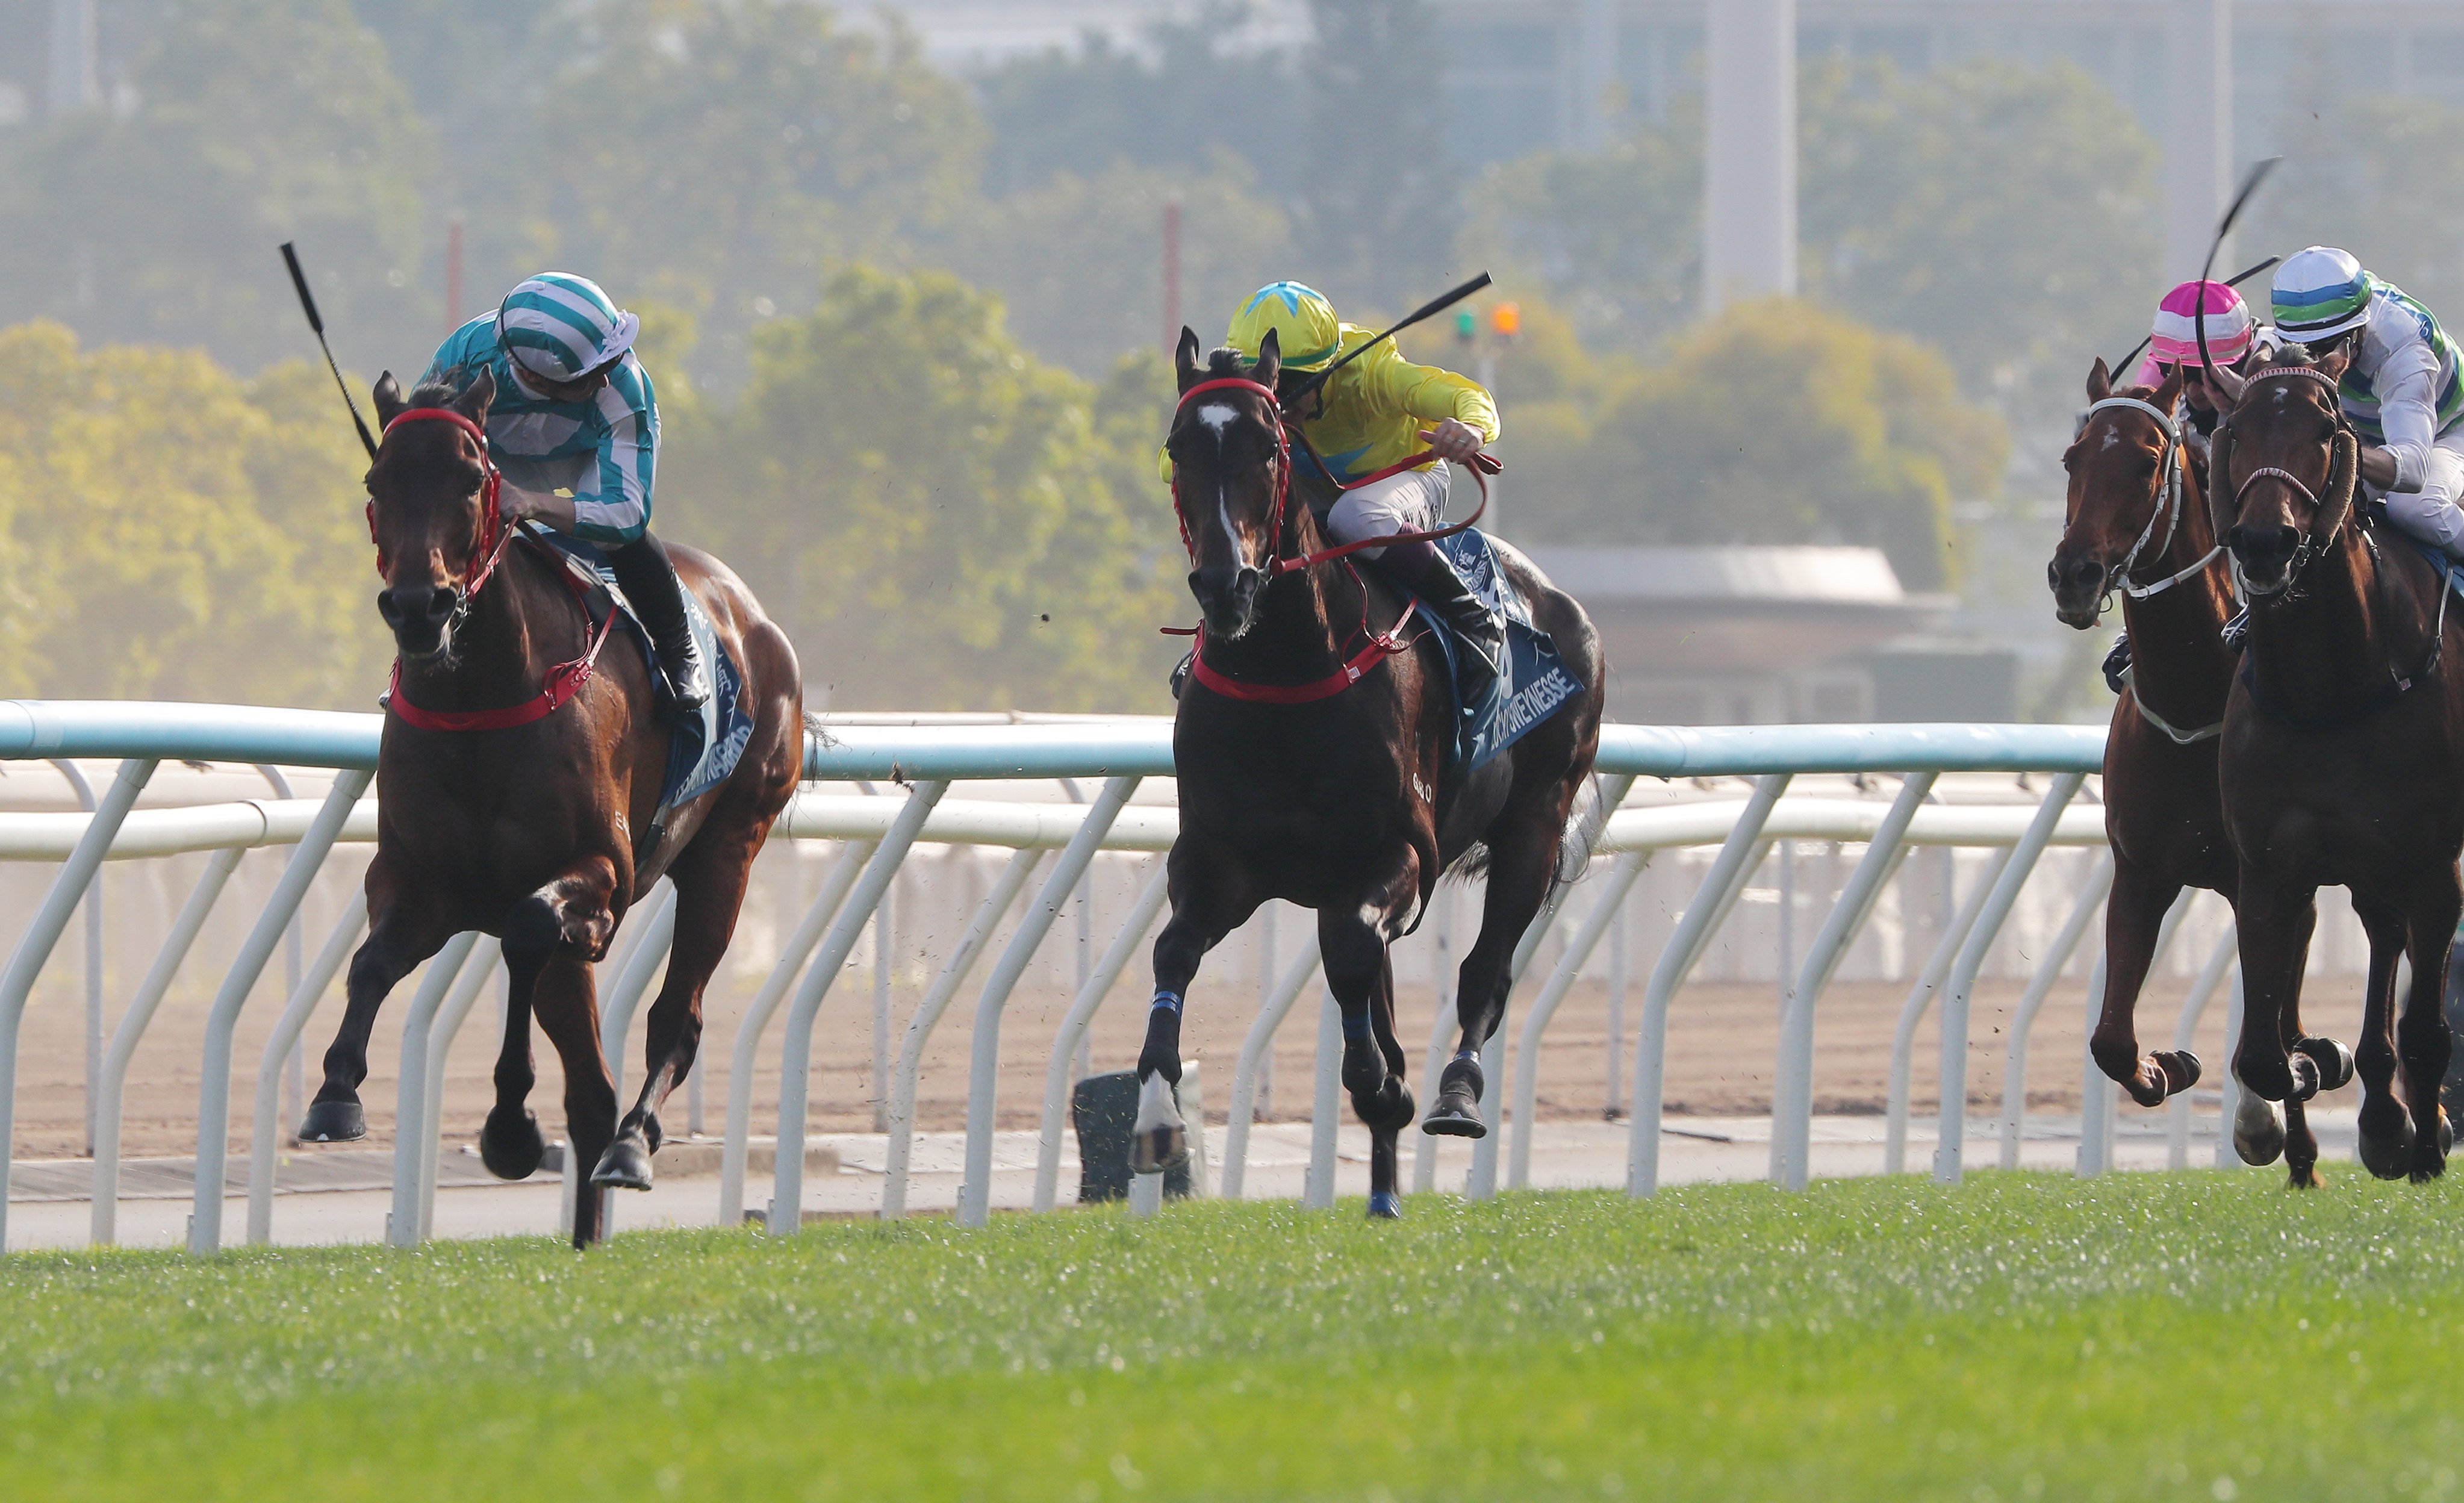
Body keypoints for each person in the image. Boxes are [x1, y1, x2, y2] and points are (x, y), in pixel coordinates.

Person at [1179, 281, 1505, 705]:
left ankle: (1471, 616)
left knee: (1355, 516)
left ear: (1330, 368)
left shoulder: (1373, 373)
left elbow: (1469, 396)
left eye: (1296, 381)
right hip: (1317, 495)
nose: (1280, 396)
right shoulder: (1250, 406)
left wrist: (1471, 429)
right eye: (1272, 378)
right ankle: (1209, 641)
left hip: (1405, 484)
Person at [422, 273, 707, 714]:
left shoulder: (625, 384)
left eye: (611, 362)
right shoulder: (460, 363)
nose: (610, 381)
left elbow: (626, 512)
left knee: (619, 539)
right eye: (594, 374)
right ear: (538, 379)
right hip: (495, 450)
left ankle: (677, 649)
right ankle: (422, 656)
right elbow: (422, 455)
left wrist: (533, 502)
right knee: (443, 535)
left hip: (584, 455)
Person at [2101, 279, 2265, 692]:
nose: (2194, 390)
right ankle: (2135, 630)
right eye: (2184, 375)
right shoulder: (2157, 367)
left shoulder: (2270, 357)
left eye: (2207, 375)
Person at [2270, 246, 2464, 562]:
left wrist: (2337, 449)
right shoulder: (2310, 322)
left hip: (2449, 432)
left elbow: (2413, 470)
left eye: (2328, 346)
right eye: (2306, 348)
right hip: (2368, 437)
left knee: (2415, 509)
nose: (2319, 360)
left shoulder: (2404, 349)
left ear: (2360, 327)